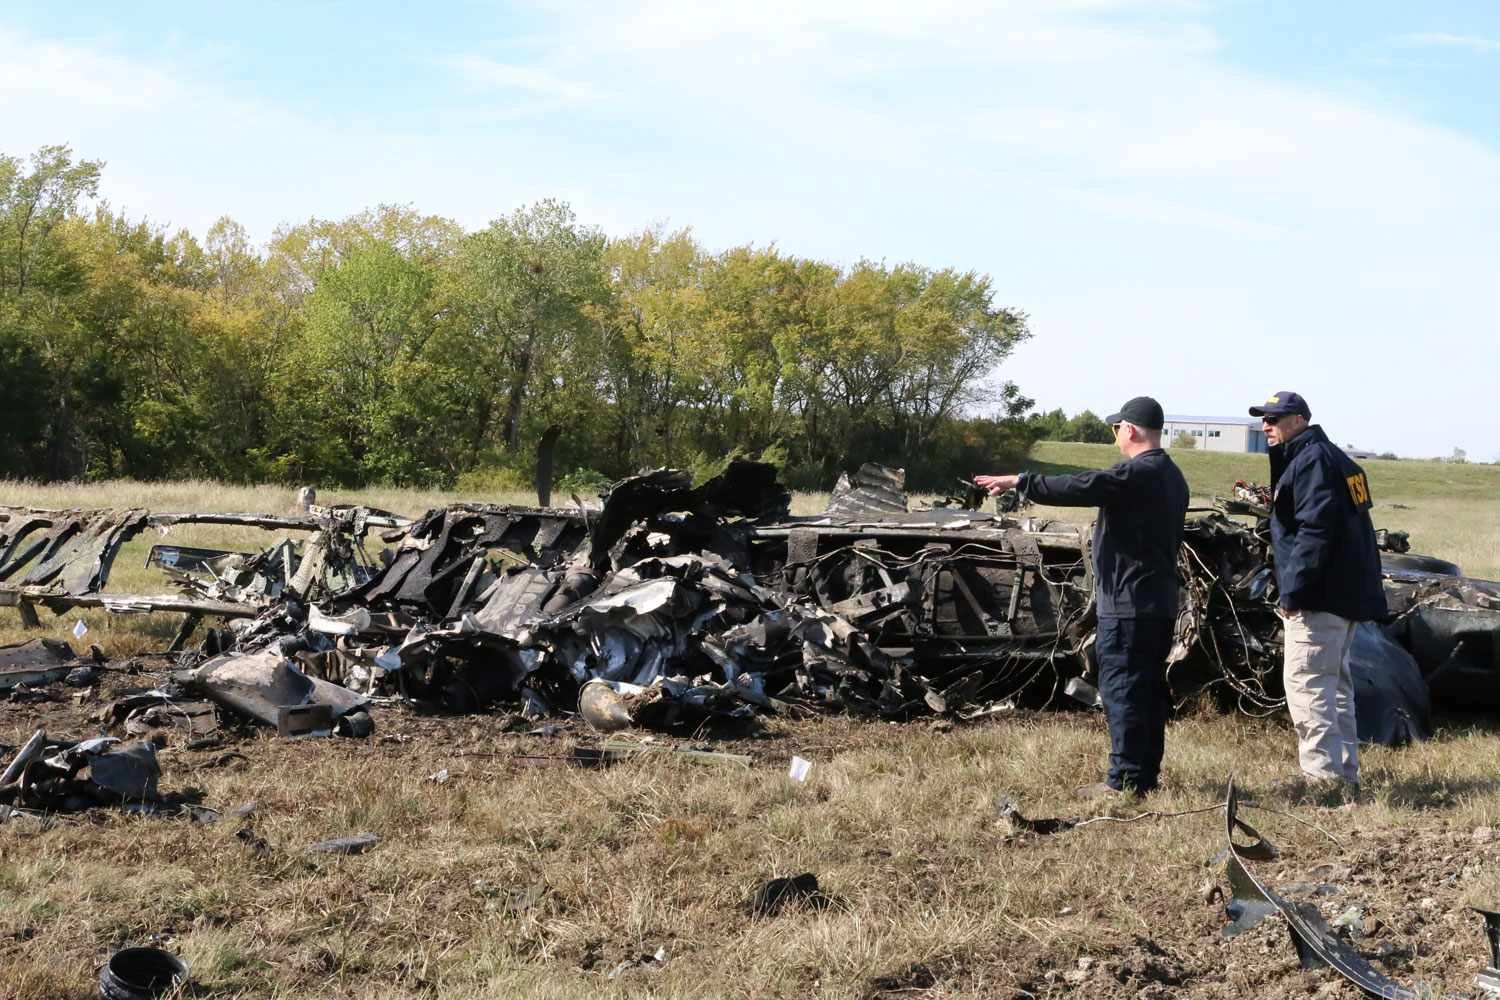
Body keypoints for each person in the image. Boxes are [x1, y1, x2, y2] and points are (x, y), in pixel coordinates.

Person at [974, 396, 1188, 797]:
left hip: (1130, 604)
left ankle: (1123, 781)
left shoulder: (1137, 473)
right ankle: (1143, 777)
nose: (1116, 437)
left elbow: (1087, 484)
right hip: (1156, 603)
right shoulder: (1171, 475)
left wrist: (1022, 481)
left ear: (1130, 430)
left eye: (1115, 429)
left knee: (1123, 688)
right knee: (1146, 691)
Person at [1248, 391, 1385, 799]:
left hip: (1319, 597)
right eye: (1263, 419)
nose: (1266, 426)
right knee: (1334, 686)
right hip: (1342, 596)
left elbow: (1315, 533)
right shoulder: (1335, 459)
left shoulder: (1312, 462)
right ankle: (1343, 776)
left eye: (1275, 418)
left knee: (1307, 684)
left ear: (1300, 420)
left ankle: (1322, 781)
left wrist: (1293, 592)